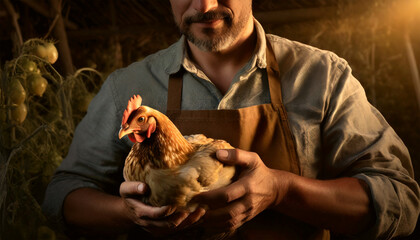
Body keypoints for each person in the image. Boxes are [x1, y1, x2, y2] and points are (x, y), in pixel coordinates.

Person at [43, 0, 420, 239]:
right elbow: (62, 196)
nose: (204, 5)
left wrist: (282, 190)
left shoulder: (321, 77)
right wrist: (126, 213)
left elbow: (398, 200)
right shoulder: (126, 86)